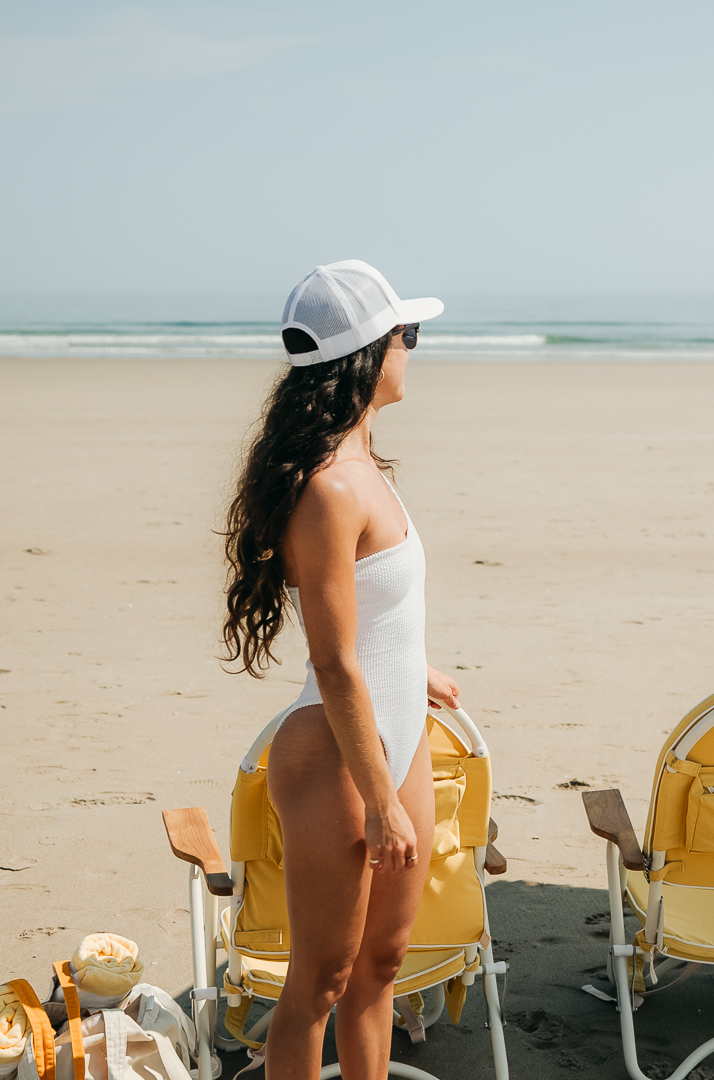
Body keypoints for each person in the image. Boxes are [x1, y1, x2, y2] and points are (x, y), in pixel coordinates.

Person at [220, 260, 460, 1080]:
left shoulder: (364, 469)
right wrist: (383, 801)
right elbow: (331, 659)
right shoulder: (327, 487)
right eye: (408, 335)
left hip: (400, 736)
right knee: (318, 983)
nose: (414, 349)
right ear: (369, 353)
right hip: (337, 757)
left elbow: (371, 615)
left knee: (382, 967)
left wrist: (413, 668)